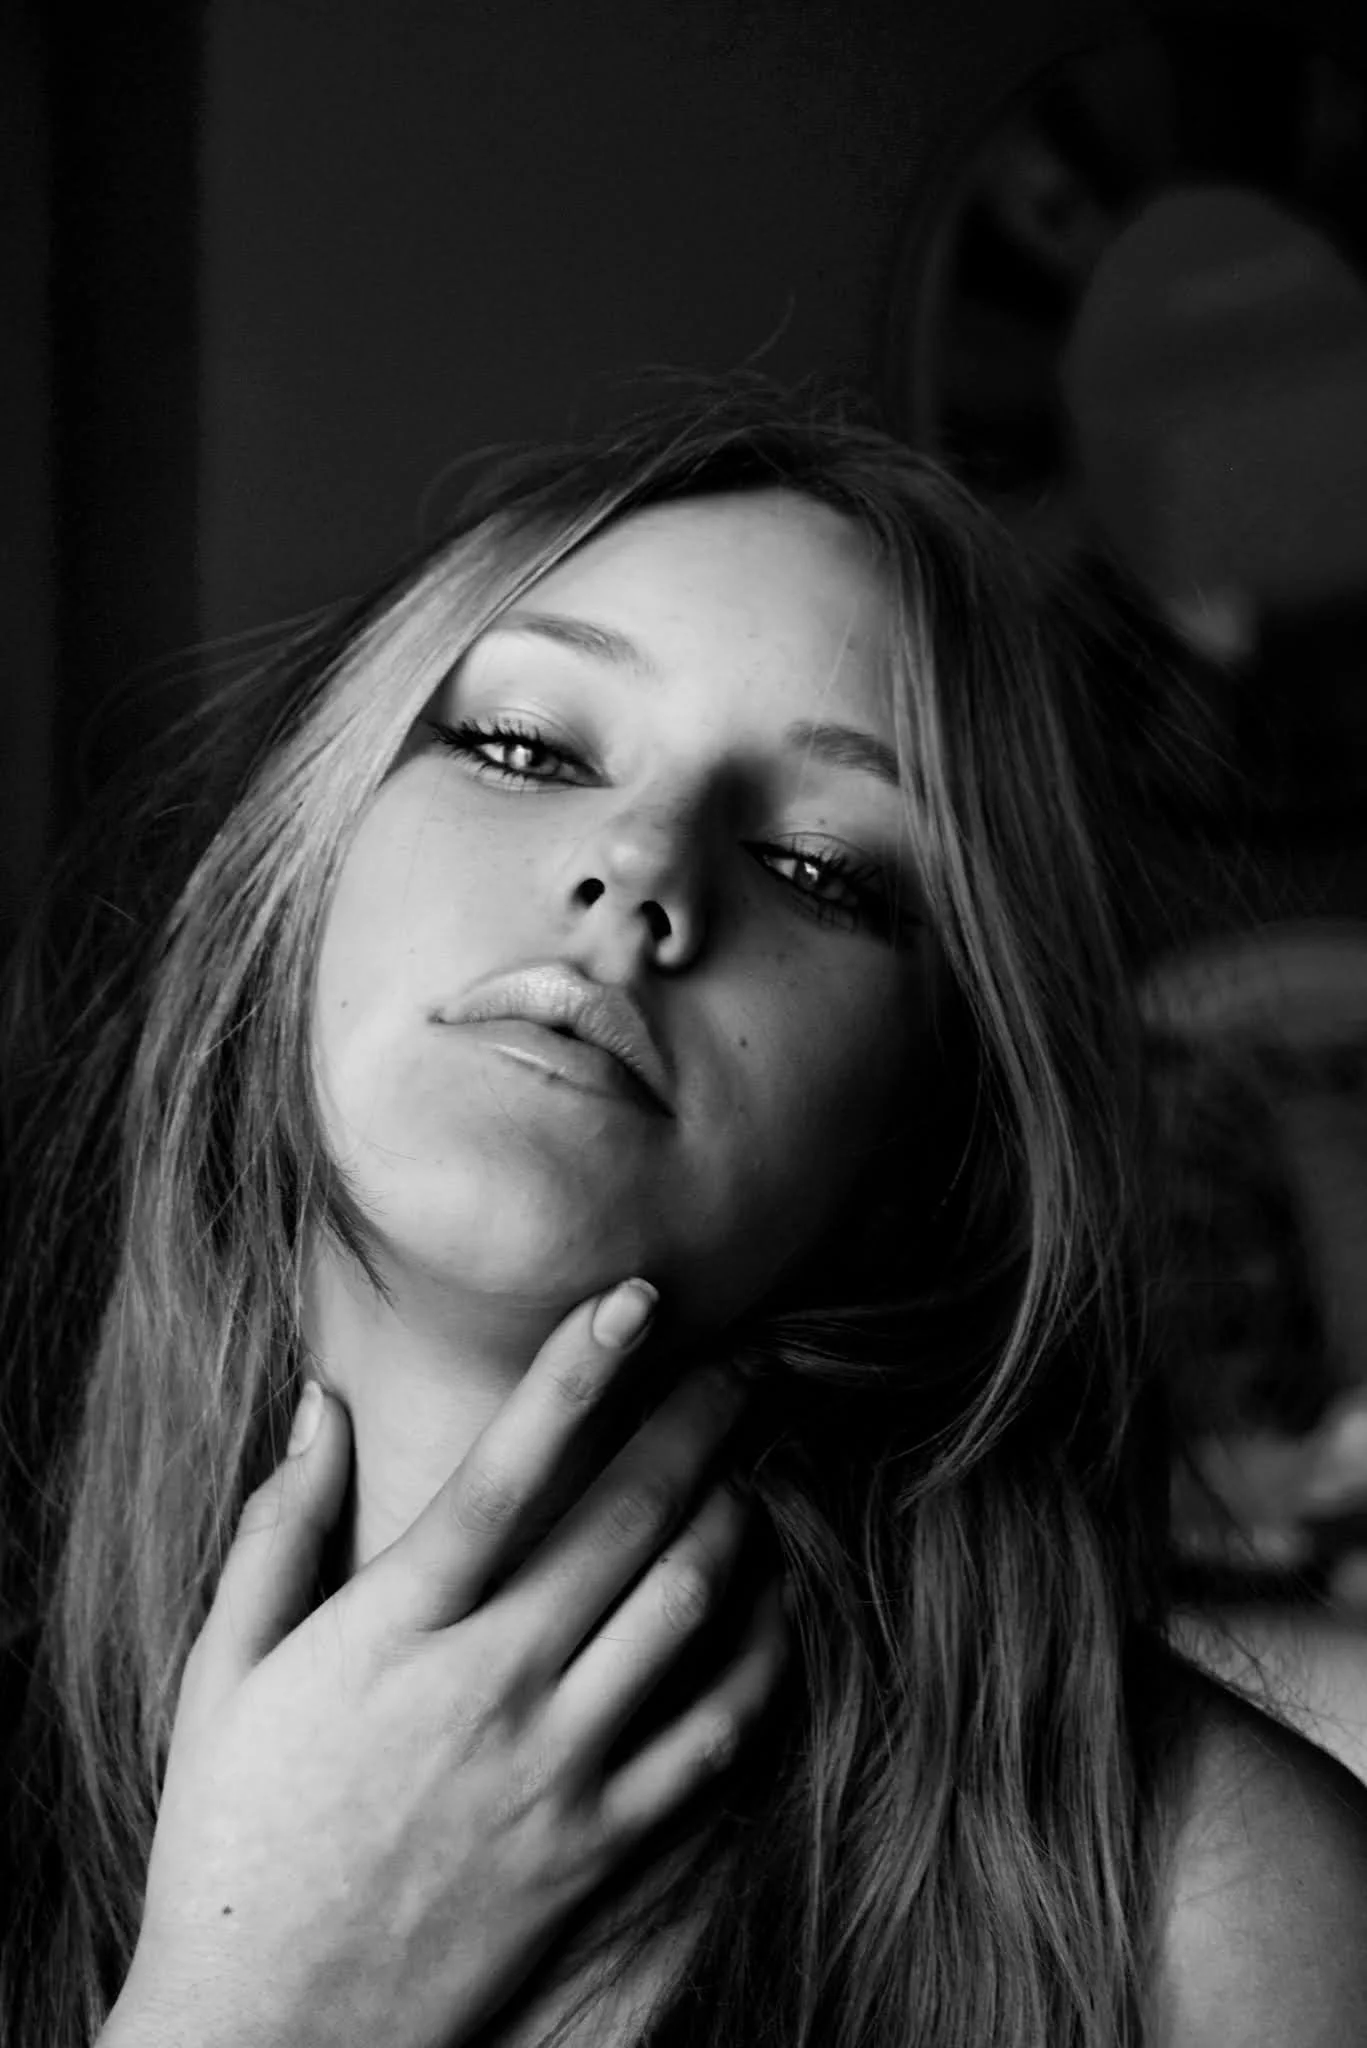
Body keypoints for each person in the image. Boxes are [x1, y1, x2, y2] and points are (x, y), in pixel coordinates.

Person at [2, 377, 1365, 2048]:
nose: (642, 864)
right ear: (286, 883)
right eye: (525, 746)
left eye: (821, 869)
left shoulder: (1208, 1923)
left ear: (931, 1138)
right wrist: (252, 1995)